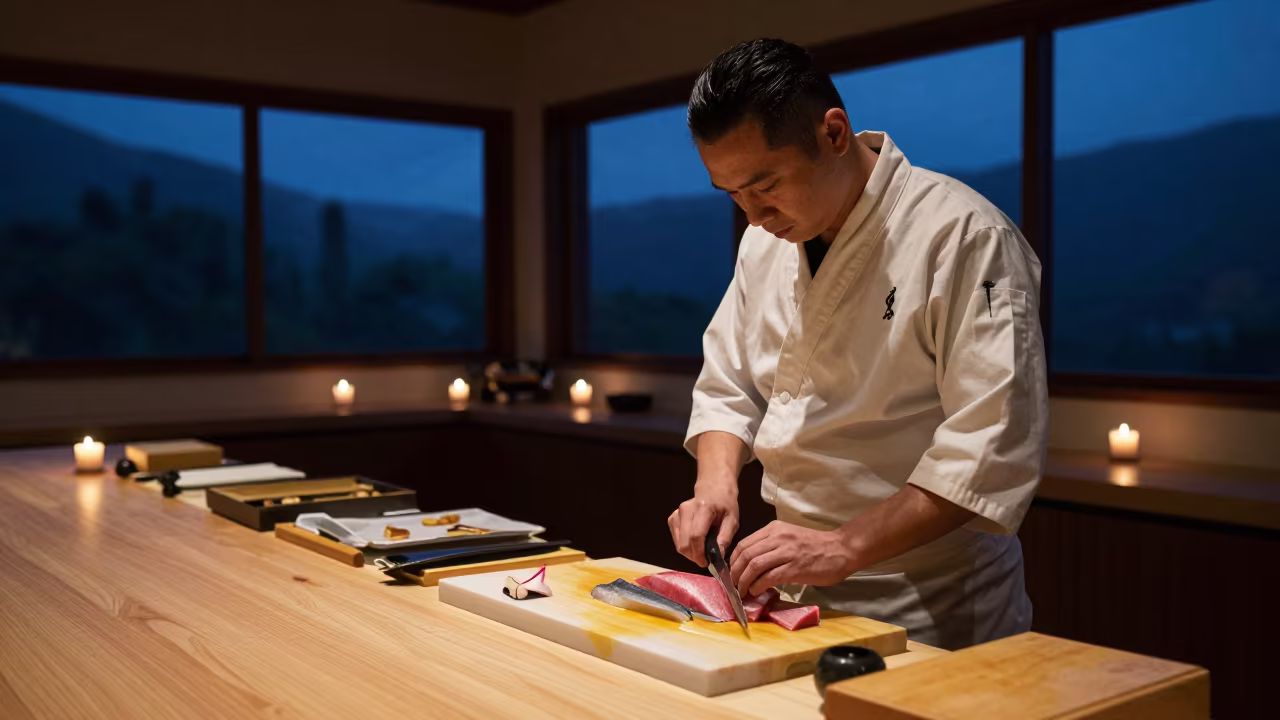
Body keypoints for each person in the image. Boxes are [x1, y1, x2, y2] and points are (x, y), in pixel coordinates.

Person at [666, 38, 1048, 650]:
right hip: (787, 580)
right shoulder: (765, 242)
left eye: (765, 185)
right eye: (732, 194)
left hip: (926, 593)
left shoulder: (964, 236)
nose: (753, 214)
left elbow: (989, 444)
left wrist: (844, 546)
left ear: (834, 134)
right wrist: (715, 485)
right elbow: (729, 379)